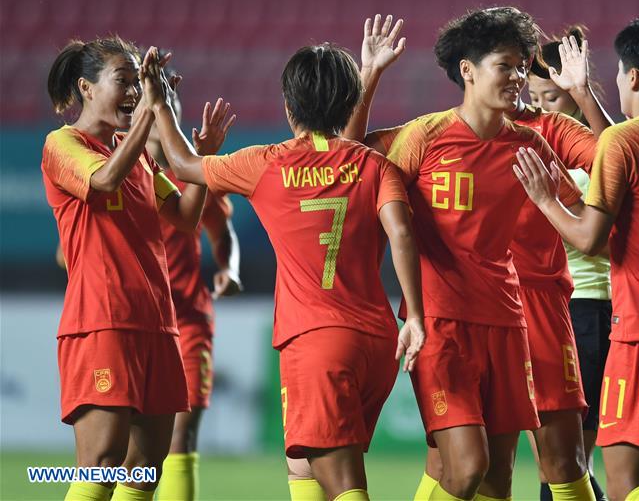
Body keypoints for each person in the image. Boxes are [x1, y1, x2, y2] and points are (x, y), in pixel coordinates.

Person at [150, 42, 425, 501]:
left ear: (287, 104)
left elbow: (182, 165)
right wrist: (413, 315)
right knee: (303, 467)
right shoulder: (374, 164)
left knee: (341, 480)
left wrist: (159, 104)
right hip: (376, 340)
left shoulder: (266, 163)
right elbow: (402, 234)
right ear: (347, 100)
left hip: (315, 339)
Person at [356, 7, 584, 501]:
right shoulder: (422, 137)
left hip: (506, 323)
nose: (519, 77)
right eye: (506, 65)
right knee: (466, 467)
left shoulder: (530, 146)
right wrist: (369, 77)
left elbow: (587, 223)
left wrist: (550, 202)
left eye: (523, 66)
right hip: (440, 323)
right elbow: (348, 156)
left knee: (497, 478)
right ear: (468, 70)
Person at [514, 17, 639, 501]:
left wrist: (546, 200)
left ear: (631, 77)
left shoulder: (619, 144)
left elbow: (589, 236)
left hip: (635, 329)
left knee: (613, 482)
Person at [42, 40, 231, 501]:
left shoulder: (140, 155)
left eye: (137, 82)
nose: (132, 93)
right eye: (122, 82)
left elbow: (186, 218)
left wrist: (200, 161)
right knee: (101, 464)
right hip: (102, 323)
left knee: (146, 468)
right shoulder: (63, 144)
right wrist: (152, 108)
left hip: (158, 326)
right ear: (86, 88)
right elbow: (103, 182)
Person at [143, 61, 243, 501]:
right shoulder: (119, 173)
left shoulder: (199, 179)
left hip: (188, 322)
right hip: (137, 323)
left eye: (171, 107)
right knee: (135, 448)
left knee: (181, 436)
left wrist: (229, 267)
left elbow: (225, 236)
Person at [526, 27, 614, 501]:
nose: (542, 109)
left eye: (553, 98)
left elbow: (598, 241)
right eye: (534, 97)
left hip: (583, 309)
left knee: (566, 464)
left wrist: (549, 200)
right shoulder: (531, 148)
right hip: (538, 313)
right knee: (555, 465)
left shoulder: (588, 158)